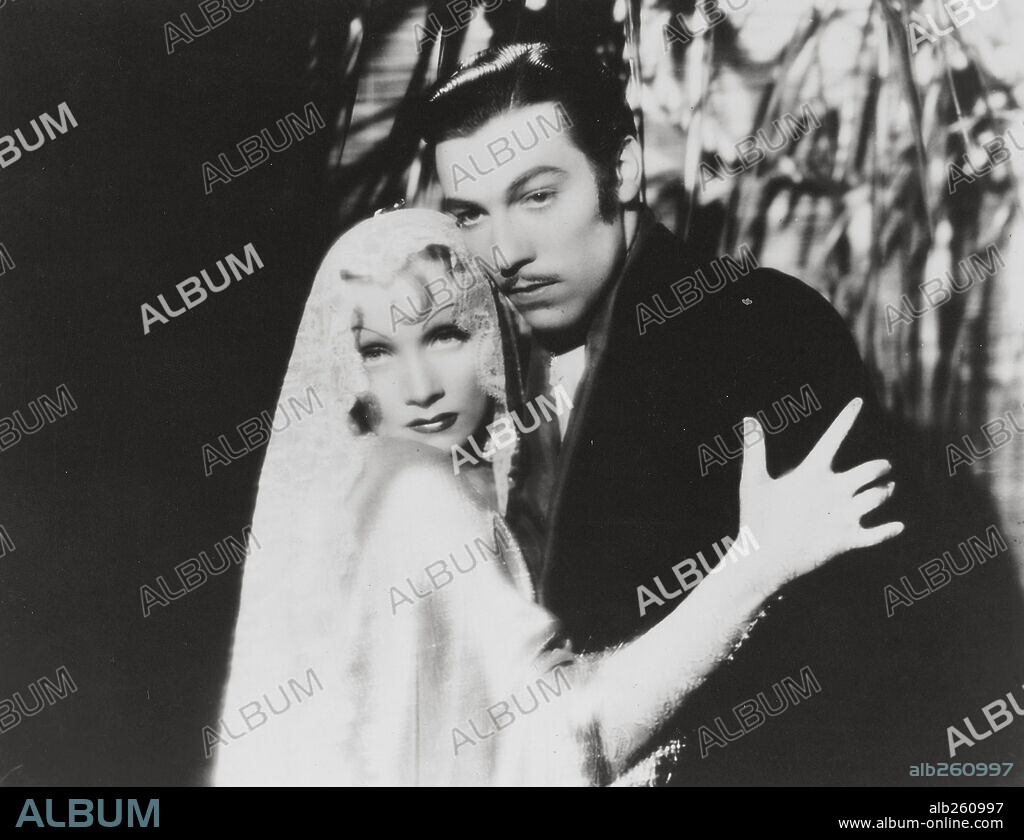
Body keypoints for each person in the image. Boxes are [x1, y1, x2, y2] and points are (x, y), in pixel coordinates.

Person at [212, 208, 901, 786]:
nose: (419, 385)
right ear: (345, 364)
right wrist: (758, 566)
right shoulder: (420, 497)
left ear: (486, 331)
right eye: (379, 350)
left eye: (444, 334)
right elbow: (566, 745)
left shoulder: (369, 489)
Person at [422, 42, 912, 784]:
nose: (504, 251)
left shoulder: (765, 331)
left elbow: (844, 672)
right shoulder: (457, 373)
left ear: (620, 170)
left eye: (536, 196)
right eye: (469, 215)